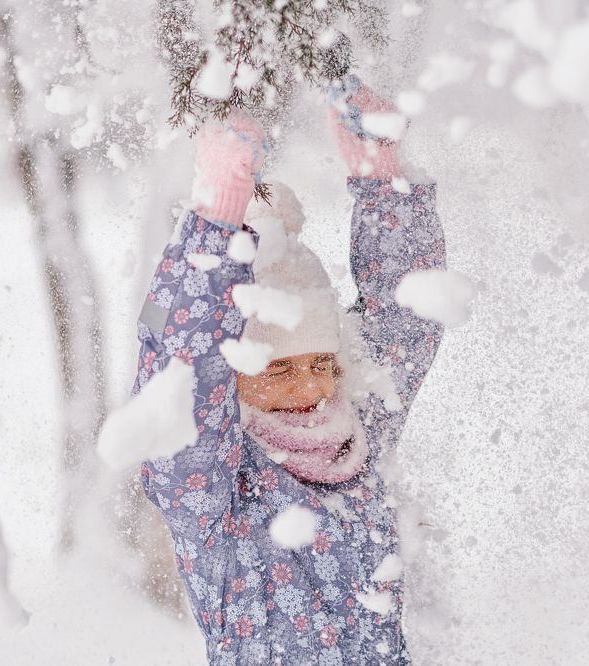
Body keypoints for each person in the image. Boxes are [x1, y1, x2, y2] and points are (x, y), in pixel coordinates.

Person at [132, 75, 447, 665]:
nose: (308, 390)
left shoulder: (355, 437)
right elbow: (175, 358)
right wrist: (214, 223)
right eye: (277, 371)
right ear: (234, 379)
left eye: (322, 364)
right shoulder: (211, 486)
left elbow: (407, 322)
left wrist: (386, 182)